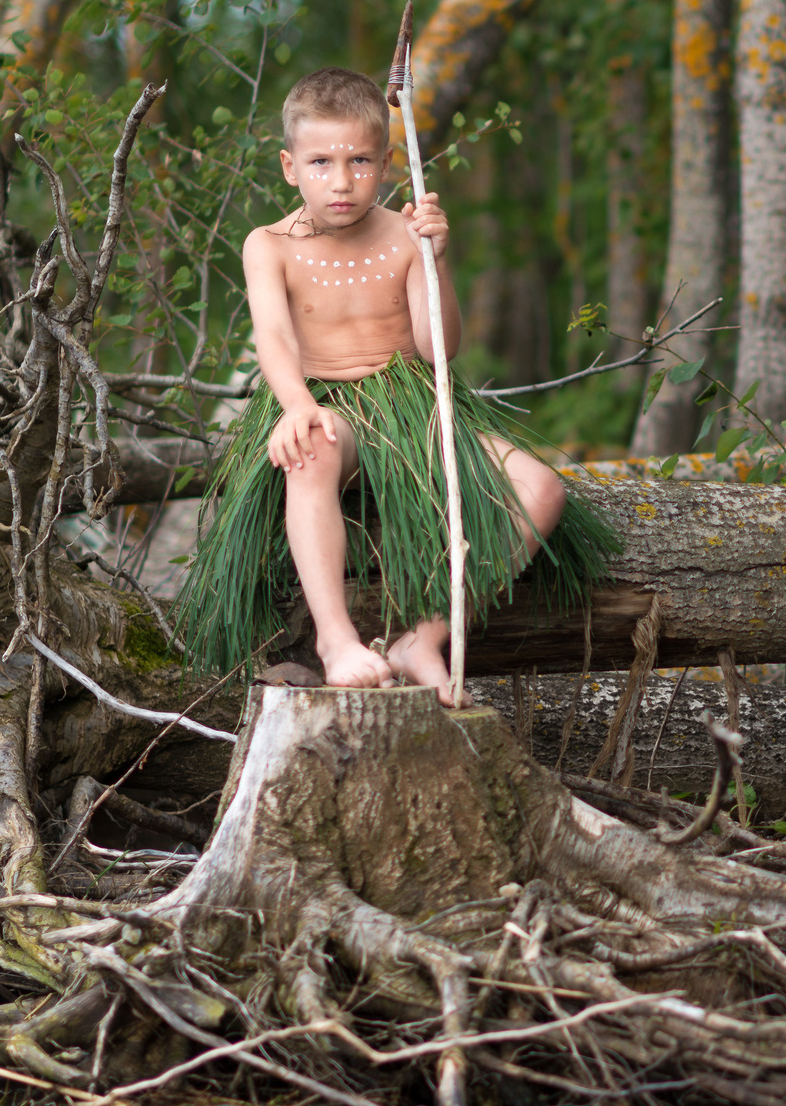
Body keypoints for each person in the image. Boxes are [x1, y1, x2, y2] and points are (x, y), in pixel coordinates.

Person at [176, 67, 615, 702]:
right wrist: (296, 405)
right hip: (327, 402)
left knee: (542, 489)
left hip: (413, 402)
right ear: (290, 166)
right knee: (314, 447)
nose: (342, 179)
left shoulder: (406, 234)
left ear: (386, 163)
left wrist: (435, 259)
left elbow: (440, 348)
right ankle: (336, 638)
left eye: (359, 160)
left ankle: (426, 636)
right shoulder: (268, 245)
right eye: (321, 162)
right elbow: (274, 336)